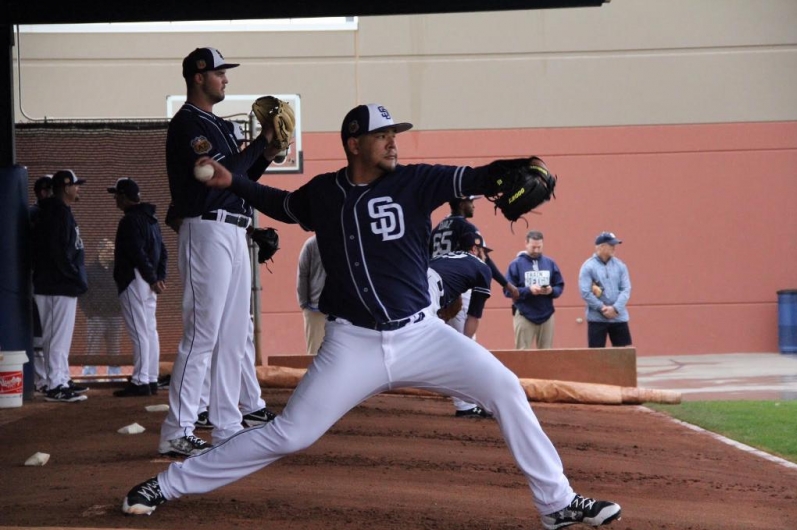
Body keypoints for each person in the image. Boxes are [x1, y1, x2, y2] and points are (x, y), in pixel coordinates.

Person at [122, 103, 622, 530]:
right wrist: (236, 180)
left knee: (505, 388)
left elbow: (476, 176)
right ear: (354, 141)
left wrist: (517, 166)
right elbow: (283, 204)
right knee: (290, 434)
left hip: (422, 335)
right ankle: (165, 485)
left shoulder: (416, 182)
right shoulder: (323, 192)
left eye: (394, 135)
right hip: (352, 344)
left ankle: (556, 503)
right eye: (382, 135)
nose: (392, 143)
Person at [158, 47, 282, 456]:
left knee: (233, 336)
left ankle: (228, 423)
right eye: (219, 73)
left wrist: (265, 151)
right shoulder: (188, 124)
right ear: (198, 77)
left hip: (234, 231)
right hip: (205, 229)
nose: (226, 79)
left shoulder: (222, 127)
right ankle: (177, 428)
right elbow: (212, 173)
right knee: (203, 333)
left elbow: (240, 176)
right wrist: (261, 139)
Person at [31, 169, 89, 403]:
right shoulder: (55, 212)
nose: (78, 189)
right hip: (56, 284)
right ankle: (55, 384)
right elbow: (57, 252)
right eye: (75, 185)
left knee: (59, 338)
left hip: (59, 284)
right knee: (55, 338)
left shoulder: (59, 211)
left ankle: (61, 379)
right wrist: (73, 275)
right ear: (65, 187)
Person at [106, 178, 167, 397]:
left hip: (135, 279)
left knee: (140, 332)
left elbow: (136, 252)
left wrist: (152, 277)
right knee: (149, 330)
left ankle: (141, 380)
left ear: (124, 196)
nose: (115, 199)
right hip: (147, 282)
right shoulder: (151, 219)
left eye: (116, 195)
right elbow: (163, 251)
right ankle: (150, 378)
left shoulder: (130, 221)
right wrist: (159, 277)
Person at [428, 231, 494, 418]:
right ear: (474, 249)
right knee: (460, 352)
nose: (485, 255)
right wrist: (466, 346)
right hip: (430, 292)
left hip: (414, 283)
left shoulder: (445, 258)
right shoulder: (481, 267)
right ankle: (465, 405)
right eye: (483, 250)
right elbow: (474, 315)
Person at [430, 195, 520, 300]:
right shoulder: (466, 227)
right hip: (457, 285)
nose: (474, 206)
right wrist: (506, 284)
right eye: (471, 202)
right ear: (461, 205)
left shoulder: (436, 229)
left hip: (435, 287)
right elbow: (483, 259)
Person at [507, 230, 565, 350]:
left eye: (539, 247)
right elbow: (508, 291)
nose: (536, 250)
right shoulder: (516, 264)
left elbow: (559, 285)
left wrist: (551, 291)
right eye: (533, 247)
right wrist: (529, 290)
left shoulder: (550, 263)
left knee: (547, 353)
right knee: (522, 352)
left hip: (547, 314)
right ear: (526, 244)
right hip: (524, 313)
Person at [578, 232, 632, 348]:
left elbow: (626, 289)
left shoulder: (620, 265)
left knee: (623, 356)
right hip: (597, 319)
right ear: (601, 247)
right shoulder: (588, 267)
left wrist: (615, 308)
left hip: (619, 317)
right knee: (596, 357)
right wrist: (602, 308)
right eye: (611, 245)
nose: (614, 248)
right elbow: (585, 292)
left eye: (615, 245)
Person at [78, 238, 123, 377]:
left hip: (115, 315)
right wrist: (89, 313)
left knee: (114, 348)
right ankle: (89, 374)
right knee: (93, 347)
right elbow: (83, 294)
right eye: (108, 250)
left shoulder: (117, 270)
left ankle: (114, 375)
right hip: (96, 316)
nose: (111, 253)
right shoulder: (90, 270)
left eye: (113, 250)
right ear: (100, 251)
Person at [29, 174, 53, 393]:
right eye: (46, 190)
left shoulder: (57, 213)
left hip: (49, 280)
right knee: (39, 330)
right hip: (36, 278)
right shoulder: (35, 213)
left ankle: (53, 377)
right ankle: (42, 379)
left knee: (52, 331)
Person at [296, 234, 326, 355]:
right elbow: (302, 274)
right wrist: (304, 304)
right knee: (315, 352)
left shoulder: (342, 241)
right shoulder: (311, 244)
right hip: (315, 308)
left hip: (339, 310)